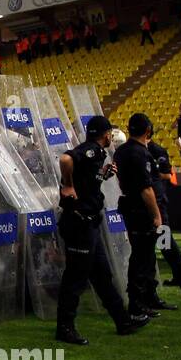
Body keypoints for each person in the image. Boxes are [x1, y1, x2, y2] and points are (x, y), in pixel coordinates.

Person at [55, 116, 150, 344]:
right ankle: (64, 328)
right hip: (80, 222)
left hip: (88, 223)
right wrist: (67, 185)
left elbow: (87, 178)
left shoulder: (96, 156)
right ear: (106, 134)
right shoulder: (93, 150)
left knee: (102, 275)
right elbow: (66, 159)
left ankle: (122, 321)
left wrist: (102, 174)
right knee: (76, 278)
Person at [114, 115, 172, 319]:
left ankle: (148, 295)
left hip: (129, 205)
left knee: (146, 255)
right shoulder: (141, 153)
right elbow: (146, 189)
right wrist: (157, 215)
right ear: (148, 129)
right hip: (141, 209)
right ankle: (138, 303)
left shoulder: (121, 151)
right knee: (142, 256)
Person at [147, 135, 181, 292]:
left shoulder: (156, 150)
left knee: (165, 242)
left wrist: (146, 173)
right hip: (149, 203)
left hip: (158, 203)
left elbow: (167, 174)